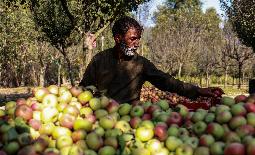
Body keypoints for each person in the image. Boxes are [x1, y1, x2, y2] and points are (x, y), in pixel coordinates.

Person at [80, 16, 222, 103]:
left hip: (130, 119)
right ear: (118, 38)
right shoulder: (100, 60)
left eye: (139, 39)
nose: (137, 43)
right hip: (102, 118)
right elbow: (84, 87)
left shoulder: (141, 64)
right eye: (133, 39)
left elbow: (167, 81)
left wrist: (197, 90)